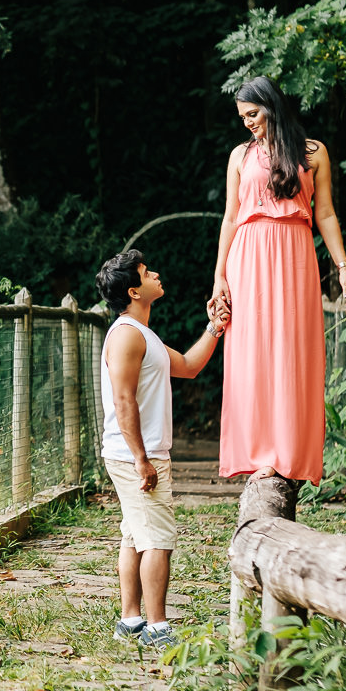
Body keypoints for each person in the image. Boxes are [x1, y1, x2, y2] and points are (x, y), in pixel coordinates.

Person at [209, 76, 346, 486]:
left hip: (295, 255)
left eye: (253, 114)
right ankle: (255, 452)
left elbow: (325, 213)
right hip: (248, 257)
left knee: (292, 349)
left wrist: (343, 267)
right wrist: (219, 276)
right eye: (242, 117)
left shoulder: (313, 153)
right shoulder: (240, 156)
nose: (247, 123)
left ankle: (287, 452)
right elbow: (229, 217)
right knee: (251, 351)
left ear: (272, 107)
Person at [95, 249, 228, 650]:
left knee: (135, 535)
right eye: (146, 272)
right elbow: (123, 400)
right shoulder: (125, 335)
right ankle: (157, 627)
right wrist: (141, 459)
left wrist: (215, 328)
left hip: (140, 452)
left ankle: (131, 620)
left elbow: (187, 365)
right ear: (135, 291)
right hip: (136, 453)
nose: (156, 273)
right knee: (158, 540)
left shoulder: (143, 334)